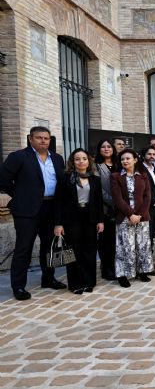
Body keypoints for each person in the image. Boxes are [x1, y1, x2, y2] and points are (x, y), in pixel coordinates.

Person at [0, 126, 67, 301]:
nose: (43, 141)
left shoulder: (58, 159)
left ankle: (49, 278)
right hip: (27, 210)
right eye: (39, 138)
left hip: (51, 208)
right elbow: (3, 180)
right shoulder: (19, 157)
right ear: (30, 139)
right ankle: (19, 286)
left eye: (46, 138)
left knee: (49, 246)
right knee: (24, 248)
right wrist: (21, 194)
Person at [55, 148, 104, 294]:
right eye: (77, 159)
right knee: (74, 251)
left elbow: (98, 202)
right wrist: (58, 223)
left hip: (90, 217)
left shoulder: (95, 179)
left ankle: (89, 282)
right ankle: (75, 284)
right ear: (72, 162)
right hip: (71, 219)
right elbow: (58, 202)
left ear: (88, 161)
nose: (81, 161)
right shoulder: (65, 178)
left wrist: (100, 221)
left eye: (84, 158)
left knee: (89, 250)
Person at [110, 149, 154, 288]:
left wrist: (139, 215)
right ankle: (123, 275)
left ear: (135, 160)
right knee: (125, 247)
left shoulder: (143, 175)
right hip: (124, 217)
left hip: (142, 217)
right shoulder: (116, 176)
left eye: (128, 158)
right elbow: (117, 199)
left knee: (142, 245)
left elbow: (147, 197)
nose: (125, 161)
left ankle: (142, 271)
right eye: (122, 159)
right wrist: (131, 214)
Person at [94, 139, 118, 280]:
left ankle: (115, 266)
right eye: (103, 147)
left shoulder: (118, 164)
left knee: (116, 240)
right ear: (99, 149)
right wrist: (114, 201)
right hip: (104, 209)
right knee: (105, 241)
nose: (107, 149)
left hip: (120, 209)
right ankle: (106, 268)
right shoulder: (96, 166)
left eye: (109, 146)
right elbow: (98, 189)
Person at [141, 145, 155, 274]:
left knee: (151, 237)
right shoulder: (141, 170)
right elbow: (144, 190)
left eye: (154, 155)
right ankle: (146, 266)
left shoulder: (154, 169)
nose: (152, 157)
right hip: (147, 208)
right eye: (149, 154)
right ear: (144, 156)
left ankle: (149, 263)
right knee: (146, 237)